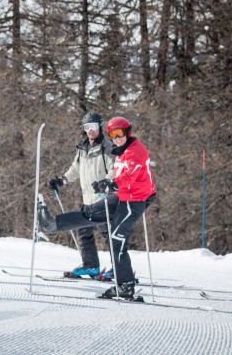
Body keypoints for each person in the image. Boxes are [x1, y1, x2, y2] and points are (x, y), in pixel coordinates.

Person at [39, 116, 156, 299]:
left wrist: (111, 184)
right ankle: (52, 224)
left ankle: (124, 284)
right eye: (113, 134)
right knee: (89, 214)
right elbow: (76, 169)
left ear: (128, 133)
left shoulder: (133, 151)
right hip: (119, 195)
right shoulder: (116, 150)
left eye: (120, 133)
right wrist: (64, 180)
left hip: (134, 199)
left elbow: (129, 175)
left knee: (115, 238)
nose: (117, 137)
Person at [46, 112, 114, 279]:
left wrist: (106, 181)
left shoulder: (107, 147)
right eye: (87, 127)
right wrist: (62, 180)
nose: (90, 131)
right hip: (88, 199)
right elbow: (75, 169)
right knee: (83, 231)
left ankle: (119, 268)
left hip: (104, 199)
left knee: (109, 235)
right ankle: (91, 266)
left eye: (93, 127)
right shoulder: (83, 148)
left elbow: (115, 169)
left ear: (100, 127)